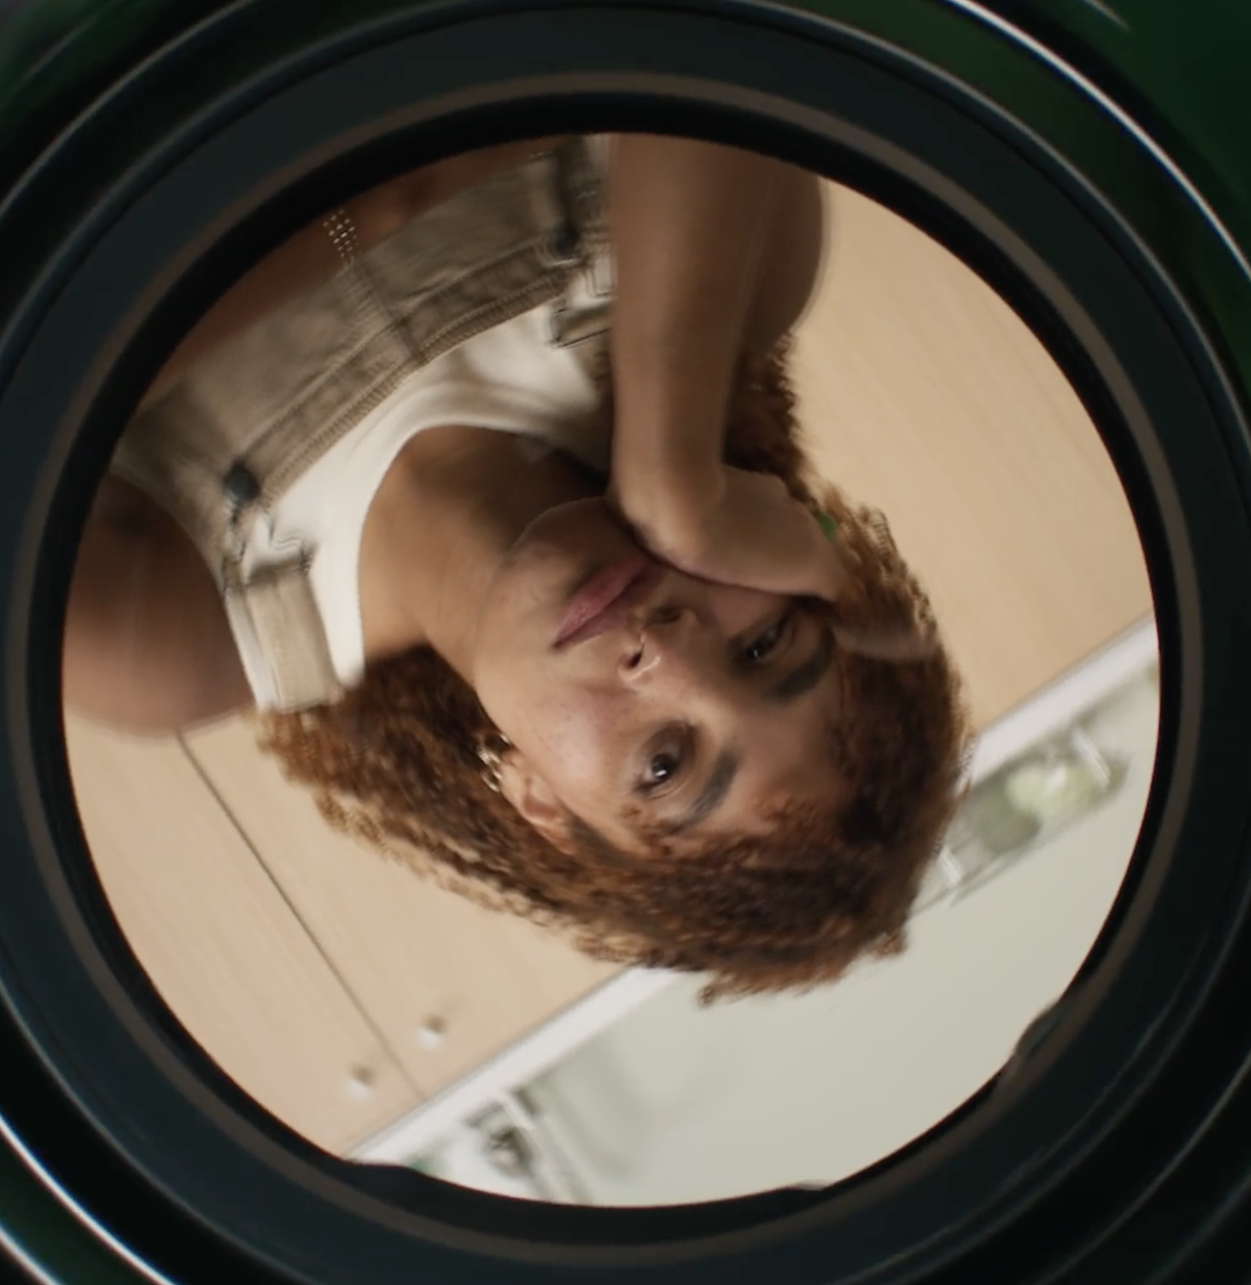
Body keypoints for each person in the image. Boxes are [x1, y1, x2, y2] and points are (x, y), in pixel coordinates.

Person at [62, 134, 967, 1001]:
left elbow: (5, 380)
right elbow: (705, 56)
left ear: (541, 801)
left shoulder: (174, 639)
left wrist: (382, 206)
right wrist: (674, 477)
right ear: (803, 564)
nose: (669, 654)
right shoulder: (752, 284)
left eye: (664, 764)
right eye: (765, 644)